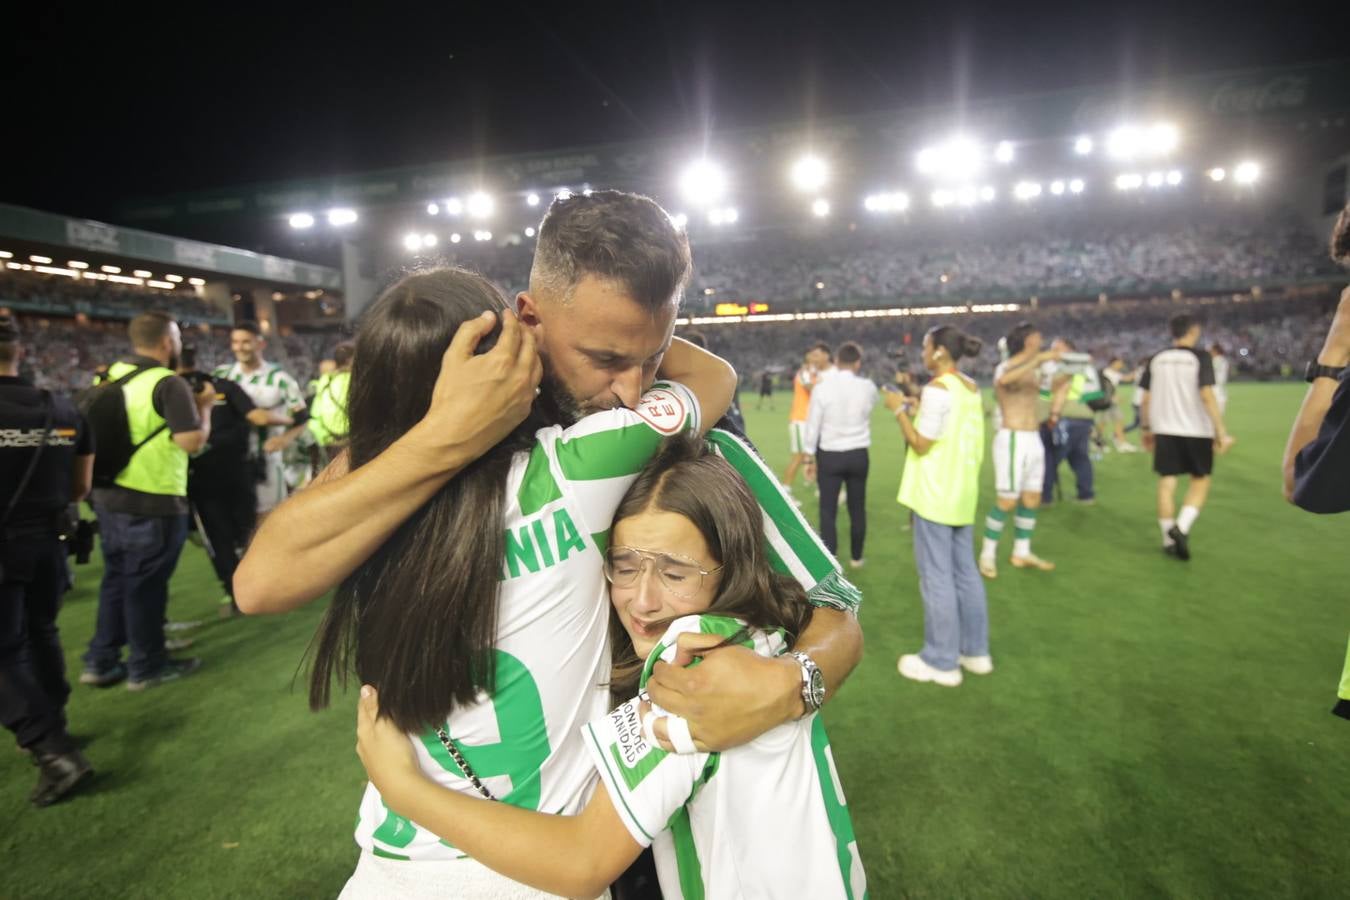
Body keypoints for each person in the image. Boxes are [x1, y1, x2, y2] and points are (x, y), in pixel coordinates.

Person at [237, 191, 863, 763]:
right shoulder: (451, 420)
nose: (632, 391)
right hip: (527, 793)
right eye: (606, 359)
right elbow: (264, 580)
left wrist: (793, 684)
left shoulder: (682, 425)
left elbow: (832, 613)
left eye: (653, 355)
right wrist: (448, 435)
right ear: (528, 319)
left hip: (669, 775)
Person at [301, 266, 736, 896]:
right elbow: (713, 378)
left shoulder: (360, 515)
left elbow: (256, 584)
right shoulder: (583, 465)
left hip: (384, 865)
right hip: (534, 861)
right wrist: (552, 327)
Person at [354, 436, 866, 900]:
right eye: (624, 566)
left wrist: (404, 787)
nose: (642, 600)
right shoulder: (763, 635)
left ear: (730, 566)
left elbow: (582, 863)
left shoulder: (690, 670)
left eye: (674, 572)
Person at [80, 312, 212, 690]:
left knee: (117, 580)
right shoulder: (166, 383)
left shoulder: (107, 376)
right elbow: (191, 442)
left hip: (107, 496)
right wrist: (203, 408)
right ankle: (146, 665)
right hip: (152, 499)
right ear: (167, 342)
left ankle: (101, 660)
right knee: (145, 587)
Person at [0, 314, 96, 806]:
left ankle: (50, 748)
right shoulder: (61, 406)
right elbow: (80, 487)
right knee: (41, 633)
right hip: (50, 541)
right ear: (20, 351)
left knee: (6, 650)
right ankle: (55, 724)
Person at [888, 326, 990, 687]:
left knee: (936, 576)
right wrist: (915, 405)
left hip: (935, 493)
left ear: (941, 352)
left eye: (926, 346)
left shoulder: (937, 389)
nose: (922, 353)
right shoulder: (969, 386)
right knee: (966, 572)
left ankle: (942, 660)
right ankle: (975, 652)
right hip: (962, 492)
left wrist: (899, 409)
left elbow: (919, 443)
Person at [178, 346, 290, 618]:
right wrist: (291, 419)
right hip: (237, 471)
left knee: (219, 539)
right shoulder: (223, 386)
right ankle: (265, 586)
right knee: (249, 531)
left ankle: (236, 594)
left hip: (200, 479)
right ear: (198, 361)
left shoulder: (169, 391)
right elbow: (257, 417)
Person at [1139, 314, 1234, 561]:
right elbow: (1206, 394)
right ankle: (1181, 527)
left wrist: (1146, 429)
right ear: (1193, 331)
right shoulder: (1200, 357)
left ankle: (1167, 539)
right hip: (1197, 429)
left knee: (1167, 482)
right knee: (1200, 480)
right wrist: (1220, 431)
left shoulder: (1156, 358)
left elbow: (1145, 399)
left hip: (1164, 429)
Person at [979, 322, 1057, 579]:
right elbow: (1005, 380)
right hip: (1012, 438)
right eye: (1037, 335)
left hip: (1034, 437)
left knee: (1032, 497)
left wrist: (1066, 374)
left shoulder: (1039, 368)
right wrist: (1040, 360)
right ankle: (987, 554)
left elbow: (1046, 396)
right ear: (1027, 340)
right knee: (1007, 500)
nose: (1042, 338)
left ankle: (1021, 551)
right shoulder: (1008, 366)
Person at [212, 321, 308, 513]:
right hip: (230, 459)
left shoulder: (280, 379)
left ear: (260, 344)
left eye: (246, 342)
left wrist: (284, 439)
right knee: (235, 517)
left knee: (267, 517)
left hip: (266, 460)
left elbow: (302, 417)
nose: (240, 347)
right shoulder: (220, 375)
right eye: (235, 342)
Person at [803, 341, 877, 568]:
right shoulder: (867, 386)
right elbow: (870, 407)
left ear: (836, 361)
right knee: (857, 507)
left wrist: (808, 456)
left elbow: (813, 425)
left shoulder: (822, 388)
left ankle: (831, 561)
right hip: (858, 453)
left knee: (828, 510)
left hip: (830, 455)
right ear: (857, 363)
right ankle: (857, 557)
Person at [1041, 337, 1100, 505]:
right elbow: (1094, 394)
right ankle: (1086, 495)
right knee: (1080, 457)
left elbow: (1048, 393)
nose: (1053, 353)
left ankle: (1045, 497)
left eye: (1057, 348)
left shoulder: (1061, 367)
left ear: (1069, 349)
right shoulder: (1087, 367)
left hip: (1063, 417)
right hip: (1084, 417)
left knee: (1051, 458)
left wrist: (1053, 412)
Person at [782, 343, 831, 495]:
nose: (815, 358)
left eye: (817, 354)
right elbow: (811, 388)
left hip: (810, 422)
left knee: (816, 455)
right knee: (799, 457)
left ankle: (821, 488)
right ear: (807, 357)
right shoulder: (804, 372)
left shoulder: (815, 373)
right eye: (813, 355)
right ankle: (785, 490)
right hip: (800, 421)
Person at [307, 340, 353, 465]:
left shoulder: (325, 380)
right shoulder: (355, 380)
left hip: (327, 441)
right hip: (350, 442)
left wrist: (323, 438)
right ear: (350, 360)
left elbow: (315, 413)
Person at [1210, 343, 1230, 414]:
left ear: (1215, 351)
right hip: (1221, 391)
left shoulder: (1214, 360)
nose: (1210, 352)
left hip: (1213, 391)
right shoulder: (1224, 360)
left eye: (1211, 350)